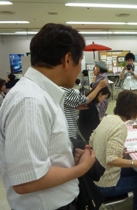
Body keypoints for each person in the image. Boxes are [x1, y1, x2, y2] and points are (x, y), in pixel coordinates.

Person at [0, 23, 96, 210]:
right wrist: (81, 168)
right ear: (68, 59)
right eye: (80, 61)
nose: (79, 69)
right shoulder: (30, 101)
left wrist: (66, 159)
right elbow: (26, 181)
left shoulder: (42, 94)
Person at [90, 90, 137, 210]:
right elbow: (111, 160)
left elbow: (91, 140)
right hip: (106, 184)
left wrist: (112, 148)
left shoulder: (108, 118)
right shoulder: (120, 126)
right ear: (132, 110)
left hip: (97, 176)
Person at [62, 79, 107, 148]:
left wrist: (74, 107)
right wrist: (99, 87)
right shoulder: (66, 91)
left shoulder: (60, 90)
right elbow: (86, 100)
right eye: (105, 97)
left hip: (71, 131)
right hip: (69, 133)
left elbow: (63, 105)